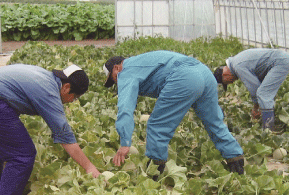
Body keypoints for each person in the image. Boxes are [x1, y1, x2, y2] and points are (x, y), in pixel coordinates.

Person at [0, 64, 100, 195]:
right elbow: (64, 134)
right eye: (74, 97)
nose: (71, 101)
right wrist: (89, 167)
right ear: (66, 87)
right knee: (22, 155)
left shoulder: (44, 77)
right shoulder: (49, 91)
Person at [102, 50, 245, 179]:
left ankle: (154, 174)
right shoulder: (141, 61)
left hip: (185, 77)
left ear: (117, 68)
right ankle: (236, 162)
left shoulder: (126, 71)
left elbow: (125, 108)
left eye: (113, 78)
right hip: (205, 73)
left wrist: (125, 142)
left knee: (157, 125)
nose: (116, 82)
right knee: (214, 122)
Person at [213, 48, 289, 130]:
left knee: (263, 94)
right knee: (265, 92)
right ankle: (271, 118)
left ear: (225, 74)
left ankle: (269, 129)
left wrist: (256, 108)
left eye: (226, 82)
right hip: (282, 58)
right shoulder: (236, 62)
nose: (231, 83)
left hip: (280, 62)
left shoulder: (238, 66)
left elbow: (254, 88)